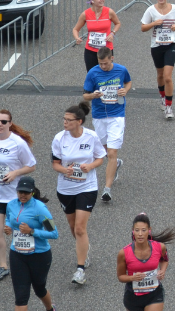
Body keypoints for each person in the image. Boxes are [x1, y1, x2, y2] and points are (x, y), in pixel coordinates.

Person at [0, 109, 37, 282]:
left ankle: (27, 259)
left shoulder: (18, 143)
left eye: (4, 122)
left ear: (10, 123)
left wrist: (15, 173)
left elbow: (31, 165)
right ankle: (3, 266)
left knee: (18, 230)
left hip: (13, 196)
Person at [51, 101, 106, 285]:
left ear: (79, 121)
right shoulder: (59, 138)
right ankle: (84, 248)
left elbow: (100, 157)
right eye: (64, 119)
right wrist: (63, 170)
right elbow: (55, 163)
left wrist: (90, 166)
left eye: (69, 120)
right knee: (73, 227)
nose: (65, 123)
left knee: (80, 228)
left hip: (87, 187)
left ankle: (80, 269)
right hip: (65, 189)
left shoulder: (91, 137)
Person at [81, 46, 130, 203]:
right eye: (100, 63)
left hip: (117, 115)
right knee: (103, 150)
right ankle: (115, 164)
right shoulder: (93, 73)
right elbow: (85, 96)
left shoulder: (121, 70)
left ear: (112, 59)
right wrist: (93, 95)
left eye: (106, 63)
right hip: (99, 115)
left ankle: (107, 190)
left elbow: (128, 82)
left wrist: (125, 90)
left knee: (111, 153)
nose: (103, 66)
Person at [4, 177, 58, 311]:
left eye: (26, 192)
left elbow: (54, 233)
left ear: (32, 192)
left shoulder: (40, 209)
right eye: (20, 192)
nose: (22, 195)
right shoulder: (11, 204)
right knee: (21, 296)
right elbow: (9, 218)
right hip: (17, 254)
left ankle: (50, 309)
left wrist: (32, 231)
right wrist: (8, 227)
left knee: (39, 288)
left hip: (39, 255)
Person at [117, 213, 175, 311]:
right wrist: (132, 277)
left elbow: (164, 260)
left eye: (143, 230)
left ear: (149, 230)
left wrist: (163, 270)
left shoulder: (160, 247)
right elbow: (120, 277)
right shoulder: (124, 253)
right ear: (133, 231)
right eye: (137, 230)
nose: (140, 234)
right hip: (133, 297)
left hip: (154, 294)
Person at [140, 0, 175, 119]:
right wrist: (153, 24)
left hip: (171, 44)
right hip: (156, 45)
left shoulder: (174, 8)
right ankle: (162, 96)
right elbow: (143, 28)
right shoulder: (150, 10)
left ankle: (168, 107)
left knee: (167, 76)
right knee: (160, 74)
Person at [73, 0, 121, 73]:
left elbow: (118, 23)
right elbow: (75, 29)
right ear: (92, 1)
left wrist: (112, 33)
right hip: (90, 50)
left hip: (106, 49)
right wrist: (77, 38)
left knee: (106, 73)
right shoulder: (85, 14)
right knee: (92, 74)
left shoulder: (109, 11)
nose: (102, 0)